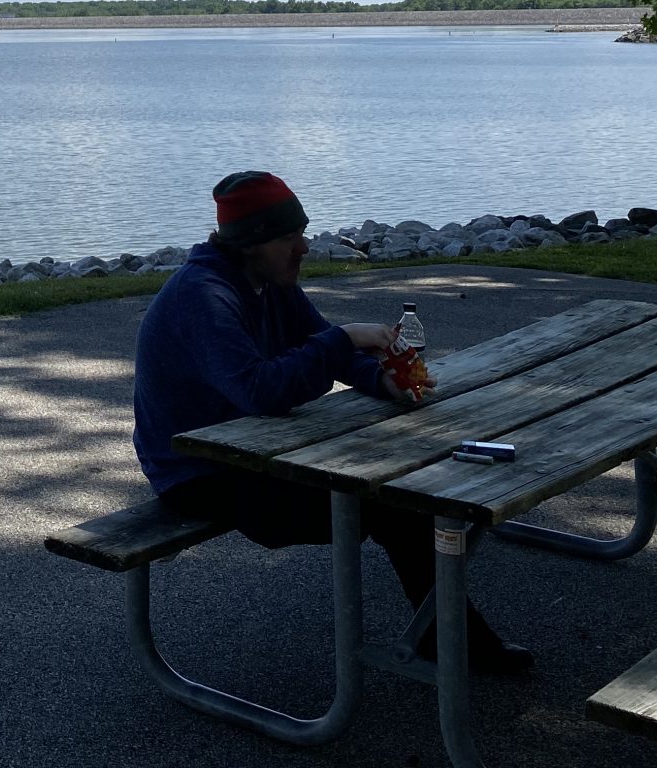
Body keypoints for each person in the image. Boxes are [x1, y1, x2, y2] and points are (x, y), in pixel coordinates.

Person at [134, 170, 532, 675]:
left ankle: (447, 637)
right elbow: (261, 391)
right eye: (288, 237)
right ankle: (455, 645)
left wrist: (379, 380)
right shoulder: (204, 296)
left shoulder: (268, 281)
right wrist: (346, 338)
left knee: (407, 481)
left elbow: (325, 347)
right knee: (397, 502)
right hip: (200, 473)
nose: (303, 247)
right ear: (253, 242)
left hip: (262, 454)